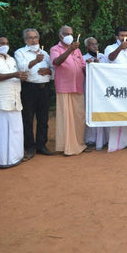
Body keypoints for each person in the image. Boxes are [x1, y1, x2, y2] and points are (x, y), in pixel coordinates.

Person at [0, 34, 28, 167]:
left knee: (16, 130)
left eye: (7, 43)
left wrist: (20, 77)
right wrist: (14, 75)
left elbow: (14, 75)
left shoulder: (11, 59)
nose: (5, 45)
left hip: (14, 99)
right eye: (2, 43)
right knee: (2, 131)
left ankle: (16, 157)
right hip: (0, 99)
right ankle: (3, 160)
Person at [14, 28, 54, 160]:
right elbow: (22, 68)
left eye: (35, 37)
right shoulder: (20, 52)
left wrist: (48, 71)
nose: (33, 40)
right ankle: (29, 147)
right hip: (29, 89)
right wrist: (35, 61)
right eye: (30, 37)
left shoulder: (44, 53)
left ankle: (41, 145)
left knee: (43, 119)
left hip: (44, 88)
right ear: (25, 40)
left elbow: (53, 70)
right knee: (28, 119)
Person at [50, 25, 87, 156]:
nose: (69, 36)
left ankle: (79, 143)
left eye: (71, 33)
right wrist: (69, 50)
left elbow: (83, 66)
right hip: (64, 87)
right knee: (66, 118)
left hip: (78, 86)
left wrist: (93, 66)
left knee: (79, 116)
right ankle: (66, 146)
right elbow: (56, 62)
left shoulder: (78, 51)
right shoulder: (55, 49)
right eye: (66, 34)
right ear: (60, 36)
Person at [104, 27, 127, 151]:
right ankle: (114, 142)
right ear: (116, 37)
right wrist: (120, 48)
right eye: (121, 35)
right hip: (116, 87)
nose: (124, 37)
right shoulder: (110, 48)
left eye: (126, 35)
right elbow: (110, 59)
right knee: (117, 113)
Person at [83, 37, 109, 150]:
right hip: (89, 88)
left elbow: (109, 72)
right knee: (90, 111)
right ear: (87, 47)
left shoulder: (103, 57)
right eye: (91, 44)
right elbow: (82, 72)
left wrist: (100, 66)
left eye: (96, 43)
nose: (95, 46)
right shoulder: (83, 58)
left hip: (102, 90)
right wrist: (89, 65)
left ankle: (104, 139)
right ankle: (90, 139)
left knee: (103, 111)